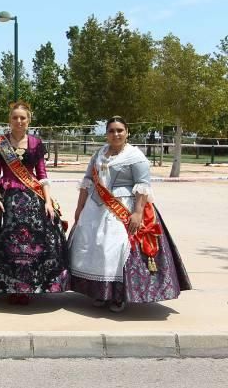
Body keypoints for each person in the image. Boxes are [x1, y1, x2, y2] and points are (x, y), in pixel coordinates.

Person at [69, 116, 191, 312]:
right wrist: (79, 208)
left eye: (120, 130)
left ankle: (118, 296)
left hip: (124, 206)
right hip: (95, 207)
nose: (116, 134)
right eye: (111, 131)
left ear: (127, 132)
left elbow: (143, 186)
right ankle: (100, 292)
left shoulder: (135, 156)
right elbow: (87, 181)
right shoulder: (99, 153)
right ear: (106, 133)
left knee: (115, 249)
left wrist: (138, 213)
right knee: (94, 248)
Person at [0, 101, 69, 304]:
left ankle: (31, 287)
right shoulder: (0, 143)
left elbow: (42, 174)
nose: (19, 121)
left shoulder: (36, 143)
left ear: (29, 120)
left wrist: (48, 201)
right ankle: (8, 286)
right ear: (9, 120)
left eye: (22, 118)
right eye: (15, 117)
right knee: (3, 241)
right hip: (6, 195)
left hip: (32, 196)